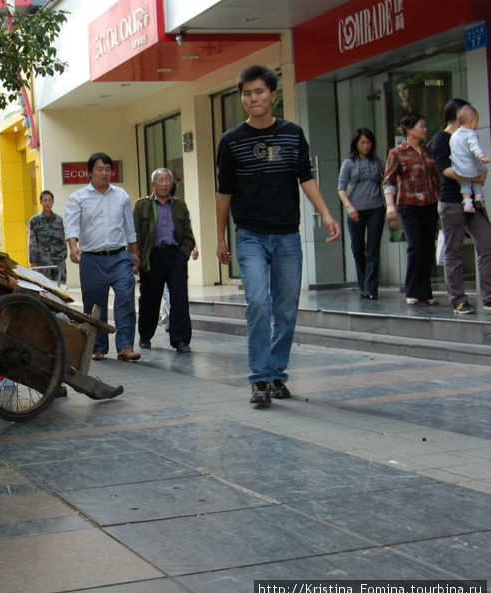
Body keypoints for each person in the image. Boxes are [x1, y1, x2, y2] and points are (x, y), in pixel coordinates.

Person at [215, 64, 340, 406]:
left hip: (286, 236)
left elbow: (306, 178)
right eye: (246, 94)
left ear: (273, 94)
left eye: (258, 92)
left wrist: (326, 214)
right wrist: (220, 237)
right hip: (250, 235)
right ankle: (259, 379)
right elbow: (223, 191)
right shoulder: (231, 141)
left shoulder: (292, 133)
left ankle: (276, 375)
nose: (252, 99)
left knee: (285, 309)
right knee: (257, 302)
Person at [64, 152, 141, 362]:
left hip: (119, 257)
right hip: (92, 259)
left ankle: (125, 346)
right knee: (94, 305)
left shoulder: (122, 196)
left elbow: (129, 227)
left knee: (125, 297)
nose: (104, 173)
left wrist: (134, 252)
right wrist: (73, 247)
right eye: (100, 169)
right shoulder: (78, 198)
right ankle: (98, 347)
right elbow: (70, 225)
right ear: (89, 172)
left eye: (108, 169)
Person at [429, 98, 491, 315]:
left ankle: (488, 297)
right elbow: (446, 170)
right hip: (452, 201)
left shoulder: (469, 136)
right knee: (454, 251)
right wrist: (474, 179)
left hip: (474, 200)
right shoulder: (441, 139)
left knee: (487, 244)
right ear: (459, 117)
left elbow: (477, 160)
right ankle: (458, 300)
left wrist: (482, 170)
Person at [133, 167, 198, 353]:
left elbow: (188, 233)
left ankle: (181, 340)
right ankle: (145, 335)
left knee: (179, 297)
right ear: (153, 184)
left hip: (175, 255)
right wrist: (136, 255)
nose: (163, 184)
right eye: (159, 180)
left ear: (171, 184)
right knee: (150, 298)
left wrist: (184, 253)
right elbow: (135, 233)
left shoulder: (179, 206)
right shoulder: (142, 205)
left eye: (166, 180)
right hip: (152, 256)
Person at [383, 113, 442, 307]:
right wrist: (390, 205)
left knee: (427, 247)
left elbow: (436, 178)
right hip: (408, 205)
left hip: (430, 203)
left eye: (425, 126)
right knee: (415, 245)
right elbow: (389, 180)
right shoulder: (397, 152)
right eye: (421, 126)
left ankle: (426, 292)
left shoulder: (427, 151)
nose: (425, 129)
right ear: (409, 130)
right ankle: (412, 290)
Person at [337, 128, 386, 300]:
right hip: (355, 210)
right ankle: (363, 284)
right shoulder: (349, 163)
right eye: (362, 142)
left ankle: (371, 289)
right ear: (356, 144)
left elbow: (386, 185)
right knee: (357, 249)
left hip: (376, 208)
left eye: (369, 142)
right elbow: (341, 188)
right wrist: (349, 207)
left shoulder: (378, 163)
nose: (366, 146)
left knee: (373, 249)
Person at [449, 105, 491, 214]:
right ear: (471, 120)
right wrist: (482, 157)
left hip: (459, 168)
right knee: (478, 171)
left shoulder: (453, 135)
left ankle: (467, 203)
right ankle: (478, 197)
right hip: (471, 168)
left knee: (465, 184)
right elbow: (475, 147)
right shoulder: (471, 133)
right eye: (477, 121)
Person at [28, 190, 67, 285]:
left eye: (49, 200)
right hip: (43, 263)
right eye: (45, 200)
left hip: (58, 262)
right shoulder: (35, 220)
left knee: (60, 287)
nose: (47, 203)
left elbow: (63, 239)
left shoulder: (58, 220)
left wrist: (63, 256)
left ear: (53, 201)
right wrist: (33, 261)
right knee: (45, 289)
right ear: (40, 202)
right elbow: (33, 242)